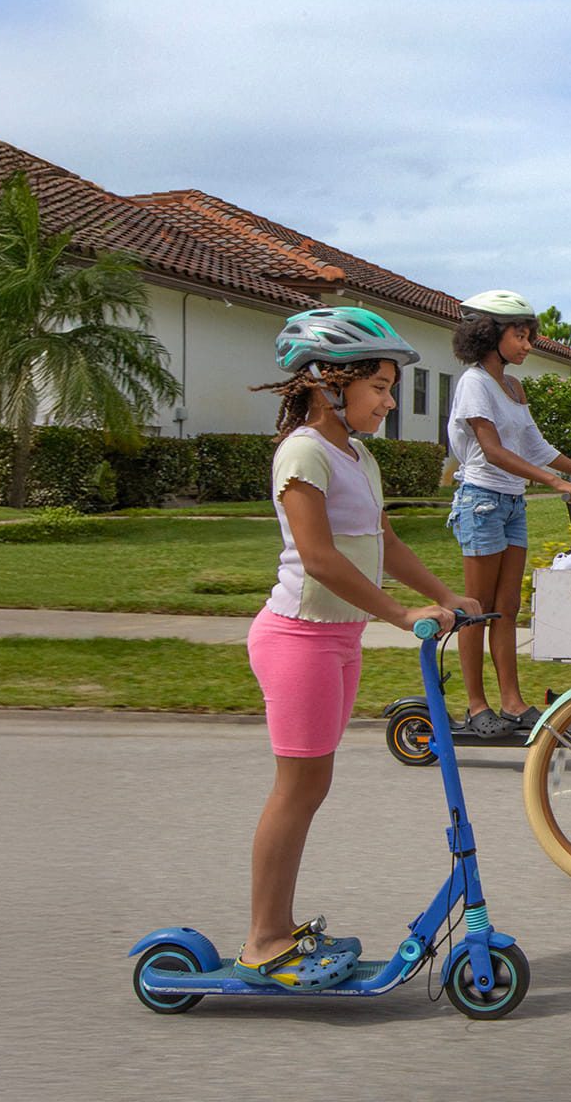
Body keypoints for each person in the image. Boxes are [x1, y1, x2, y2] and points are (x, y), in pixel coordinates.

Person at [237, 307, 479, 989]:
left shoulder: (356, 454)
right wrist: (404, 615)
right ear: (327, 382)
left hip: (338, 639)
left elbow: (383, 544)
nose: (390, 400)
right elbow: (318, 558)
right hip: (300, 637)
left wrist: (446, 593)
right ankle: (264, 940)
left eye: (389, 387)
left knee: (311, 785)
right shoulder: (304, 452)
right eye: (379, 386)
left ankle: (274, 929)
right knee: (298, 788)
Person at [445, 290, 571, 737]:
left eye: (528, 336)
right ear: (491, 334)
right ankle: (477, 706)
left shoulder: (513, 386)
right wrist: (554, 483)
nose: (527, 345)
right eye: (520, 336)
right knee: (476, 609)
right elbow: (492, 452)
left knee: (507, 607)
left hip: (511, 503)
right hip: (481, 499)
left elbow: (535, 447)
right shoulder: (474, 382)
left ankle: (513, 703)